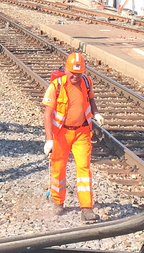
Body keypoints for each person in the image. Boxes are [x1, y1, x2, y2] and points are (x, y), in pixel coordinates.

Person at [42, 52, 105, 222]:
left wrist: (96, 113)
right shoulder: (56, 86)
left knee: (84, 169)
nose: (75, 76)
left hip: (82, 132)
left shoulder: (86, 82)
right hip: (61, 133)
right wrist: (49, 140)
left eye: (79, 73)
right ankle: (58, 201)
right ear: (66, 69)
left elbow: (91, 99)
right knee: (58, 168)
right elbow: (47, 115)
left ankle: (86, 208)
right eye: (72, 73)